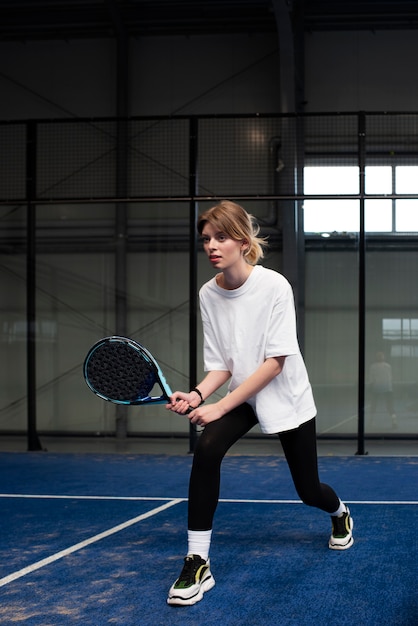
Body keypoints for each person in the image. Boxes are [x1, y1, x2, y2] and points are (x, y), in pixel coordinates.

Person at [165, 200, 354, 607]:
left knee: (308, 490)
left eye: (221, 237)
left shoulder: (274, 286)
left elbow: (275, 363)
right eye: (206, 240)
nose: (212, 246)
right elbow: (220, 364)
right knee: (208, 447)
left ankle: (339, 512)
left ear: (243, 241)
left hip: (285, 394)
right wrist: (198, 394)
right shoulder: (208, 294)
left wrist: (217, 406)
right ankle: (198, 561)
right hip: (244, 395)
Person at [369, 351, 397, 427]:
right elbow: (390, 378)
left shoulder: (373, 366)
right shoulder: (388, 366)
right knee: (390, 406)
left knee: (373, 405)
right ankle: (394, 421)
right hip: (387, 387)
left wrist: (371, 388)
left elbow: (371, 379)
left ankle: (371, 421)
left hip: (377, 387)